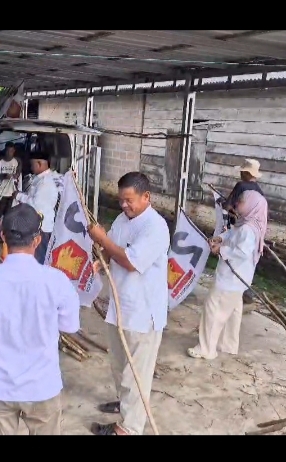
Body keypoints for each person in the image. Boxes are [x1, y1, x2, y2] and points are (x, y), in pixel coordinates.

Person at [0, 203, 81, 435]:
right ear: (37, 240)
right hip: (42, 386)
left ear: (3, 236)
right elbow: (70, 326)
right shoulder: (57, 281)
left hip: (0, 385)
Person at [87, 172, 170, 436]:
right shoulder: (123, 220)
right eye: (121, 200)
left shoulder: (155, 227)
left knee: (136, 374)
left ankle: (129, 428)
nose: (124, 205)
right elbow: (113, 249)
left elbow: (131, 262)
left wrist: (102, 239)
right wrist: (101, 259)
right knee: (119, 365)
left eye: (129, 200)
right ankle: (126, 405)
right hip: (121, 306)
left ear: (146, 197)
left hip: (143, 313)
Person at [188, 190, 268, 360]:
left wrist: (221, 250)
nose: (238, 204)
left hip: (231, 278)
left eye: (242, 201)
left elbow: (241, 252)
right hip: (239, 279)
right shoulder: (250, 223)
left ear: (252, 205)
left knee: (214, 309)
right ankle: (227, 344)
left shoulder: (247, 229)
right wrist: (221, 238)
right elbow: (233, 233)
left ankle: (206, 349)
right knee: (233, 310)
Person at [220, 158, 264, 308]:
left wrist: (225, 205)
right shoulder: (259, 191)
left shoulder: (241, 186)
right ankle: (246, 292)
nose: (240, 174)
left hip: (241, 226)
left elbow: (228, 206)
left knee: (234, 256)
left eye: (242, 171)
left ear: (246, 173)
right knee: (247, 260)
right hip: (256, 230)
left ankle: (233, 294)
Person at [13, 150, 59, 264]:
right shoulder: (38, 179)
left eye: (32, 164)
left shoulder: (45, 183)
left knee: (38, 258)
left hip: (41, 228)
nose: (31, 167)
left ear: (39, 164)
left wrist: (19, 196)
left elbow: (35, 205)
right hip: (35, 225)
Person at [0, 142, 20, 240]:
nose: (10, 153)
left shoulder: (16, 162)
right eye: (8, 151)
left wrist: (16, 176)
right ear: (5, 150)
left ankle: (4, 235)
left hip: (11, 192)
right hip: (1, 192)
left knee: (8, 215)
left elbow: (18, 174)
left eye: (12, 151)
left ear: (14, 151)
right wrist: (5, 176)